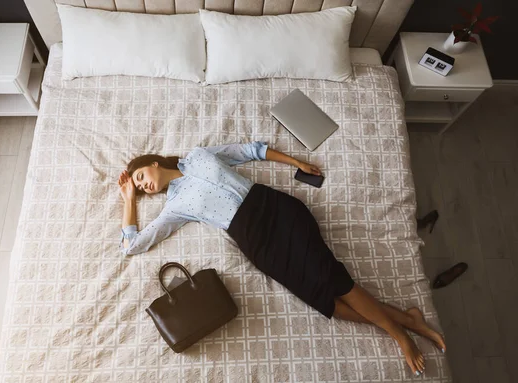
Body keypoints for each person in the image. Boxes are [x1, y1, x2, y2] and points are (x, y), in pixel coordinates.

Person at [118, 142, 445, 376]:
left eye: (141, 176)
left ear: (154, 162)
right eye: (141, 188)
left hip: (276, 210)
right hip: (254, 240)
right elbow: (132, 245)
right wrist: (128, 200)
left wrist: (296, 163)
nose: (144, 184)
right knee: (322, 300)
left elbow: (250, 150)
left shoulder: (199, 156)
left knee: (334, 281)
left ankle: (399, 333)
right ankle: (408, 320)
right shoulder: (173, 208)